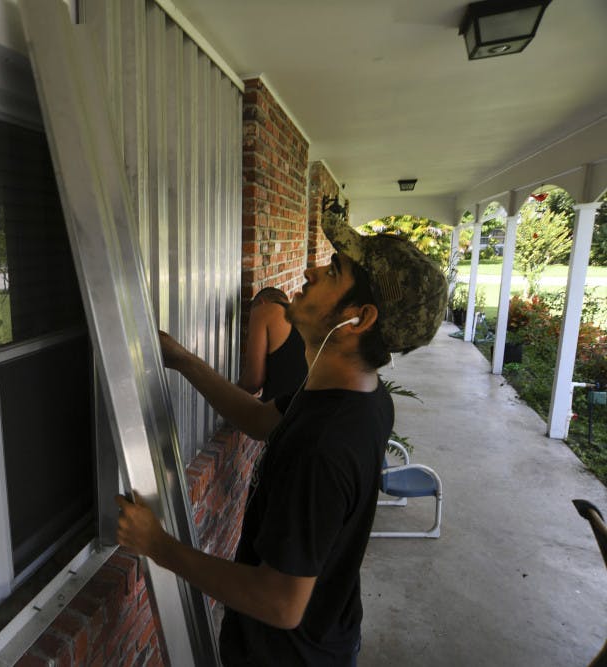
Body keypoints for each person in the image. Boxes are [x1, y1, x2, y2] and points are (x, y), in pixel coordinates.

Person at [115, 200, 447, 666]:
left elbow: (281, 603)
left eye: (333, 271)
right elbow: (258, 419)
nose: (311, 272)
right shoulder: (356, 395)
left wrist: (157, 545)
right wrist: (184, 361)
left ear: (360, 319)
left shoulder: (324, 444)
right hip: (327, 637)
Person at [237, 287, 308, 402]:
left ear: (261, 302)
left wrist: (229, 394)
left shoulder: (264, 310)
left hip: (285, 413)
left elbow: (252, 382)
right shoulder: (307, 317)